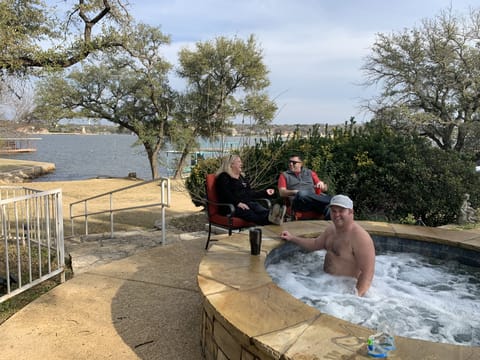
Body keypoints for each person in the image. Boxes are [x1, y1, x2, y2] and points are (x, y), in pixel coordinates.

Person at [280, 195, 375, 296]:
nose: (336, 214)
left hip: (344, 289)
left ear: (351, 212)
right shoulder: (331, 229)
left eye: (341, 211)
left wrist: (354, 298)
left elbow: (367, 273)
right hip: (325, 283)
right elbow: (315, 244)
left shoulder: (360, 237)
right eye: (334, 211)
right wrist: (292, 238)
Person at [215, 155, 285, 225]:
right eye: (239, 162)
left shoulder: (241, 177)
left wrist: (265, 192)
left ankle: (274, 216)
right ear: (231, 164)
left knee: (257, 207)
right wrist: (238, 203)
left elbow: (250, 193)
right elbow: (225, 194)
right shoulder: (223, 177)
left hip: (246, 203)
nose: (241, 164)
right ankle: (271, 219)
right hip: (231, 207)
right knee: (249, 212)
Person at [277, 154, 332, 219]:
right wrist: (296, 192)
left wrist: (322, 184)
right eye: (290, 162)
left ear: (301, 164)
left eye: (294, 162)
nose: (291, 164)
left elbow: (324, 189)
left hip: (314, 201)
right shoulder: (284, 175)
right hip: (299, 202)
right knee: (302, 194)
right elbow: (282, 192)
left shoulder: (310, 172)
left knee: (330, 209)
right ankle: (332, 199)